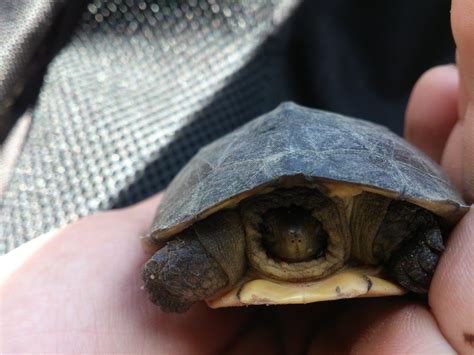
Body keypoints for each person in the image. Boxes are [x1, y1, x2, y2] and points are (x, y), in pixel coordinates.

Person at [1, 1, 473, 353]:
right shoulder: (225, 239)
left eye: (303, 224)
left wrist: (416, 251)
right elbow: (171, 271)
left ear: (328, 223)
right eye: (283, 225)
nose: (293, 236)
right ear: (256, 230)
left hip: (360, 224)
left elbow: (412, 229)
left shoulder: (367, 217)